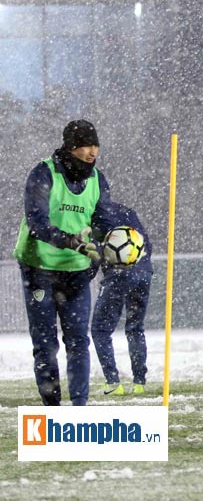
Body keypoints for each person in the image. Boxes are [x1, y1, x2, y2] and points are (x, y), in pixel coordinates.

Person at [13, 119, 113, 406]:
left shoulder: (98, 180)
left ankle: (78, 409)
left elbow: (103, 221)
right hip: (39, 269)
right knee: (45, 344)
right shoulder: (43, 173)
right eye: (86, 145)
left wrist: (114, 243)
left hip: (77, 272)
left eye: (96, 145)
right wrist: (71, 241)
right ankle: (53, 411)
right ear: (71, 147)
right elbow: (36, 222)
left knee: (79, 341)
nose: (93, 151)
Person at [90, 202, 153, 396]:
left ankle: (113, 382)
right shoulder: (127, 211)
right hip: (144, 272)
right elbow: (147, 244)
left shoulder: (91, 215)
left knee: (100, 330)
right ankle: (139, 382)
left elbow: (96, 253)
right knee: (135, 328)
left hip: (118, 275)